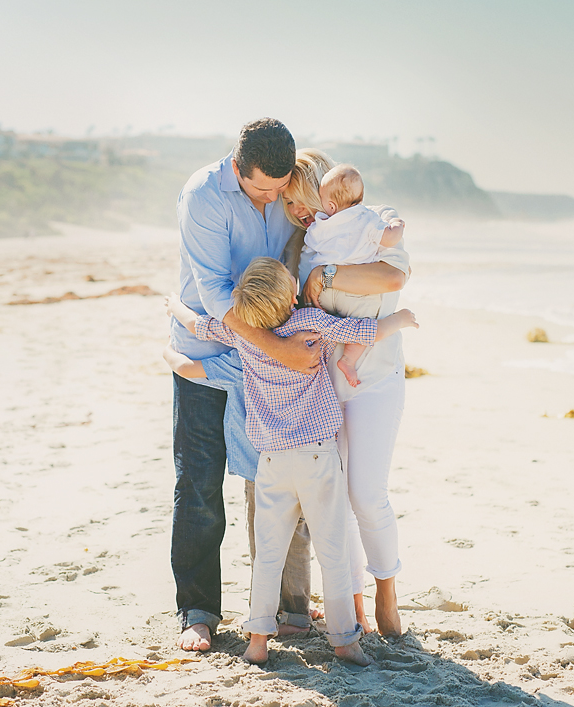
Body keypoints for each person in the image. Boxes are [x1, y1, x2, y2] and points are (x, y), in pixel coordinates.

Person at [165, 257, 418, 664]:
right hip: (317, 458)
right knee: (332, 550)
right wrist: (400, 319)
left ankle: (258, 641)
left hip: (271, 464)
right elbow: (362, 331)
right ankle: (344, 641)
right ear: (289, 296)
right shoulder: (310, 324)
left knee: (268, 554)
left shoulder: (245, 336)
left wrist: (173, 313)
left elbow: (197, 329)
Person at [170, 118, 319, 652]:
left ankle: (288, 607)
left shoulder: (287, 188)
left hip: (273, 371)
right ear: (238, 169)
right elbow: (213, 291)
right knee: (201, 485)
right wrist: (277, 349)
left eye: (280, 189)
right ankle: (199, 611)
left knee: (277, 485)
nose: (274, 198)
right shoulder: (204, 195)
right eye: (262, 189)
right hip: (210, 348)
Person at [282, 148, 412, 637]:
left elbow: (392, 275)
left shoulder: (371, 223)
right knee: (334, 499)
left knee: (367, 493)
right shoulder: (308, 243)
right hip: (323, 386)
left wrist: (326, 275)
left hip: (376, 377)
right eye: (293, 205)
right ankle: (353, 603)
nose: (304, 212)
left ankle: (387, 592)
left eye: (307, 199)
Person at [305, 163, 406, 387]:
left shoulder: (320, 225)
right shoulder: (366, 218)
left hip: (323, 295)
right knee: (364, 324)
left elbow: (311, 242)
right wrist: (397, 225)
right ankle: (349, 359)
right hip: (356, 294)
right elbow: (389, 239)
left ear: (329, 205)